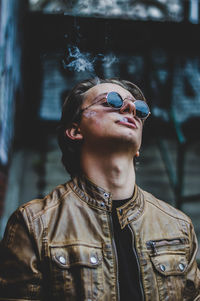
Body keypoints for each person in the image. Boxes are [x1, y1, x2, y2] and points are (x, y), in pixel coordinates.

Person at [0, 77, 199, 301]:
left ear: (139, 148)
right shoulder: (34, 224)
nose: (130, 108)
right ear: (75, 130)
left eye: (140, 109)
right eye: (111, 101)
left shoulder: (179, 227)